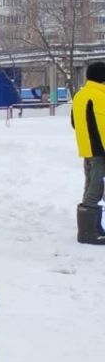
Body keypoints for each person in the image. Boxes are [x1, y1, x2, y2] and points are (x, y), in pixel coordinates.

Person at [71, 61, 105, 244]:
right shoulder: (99, 97)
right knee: (96, 188)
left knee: (90, 185)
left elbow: (74, 123)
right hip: (100, 152)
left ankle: (92, 228)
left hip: (87, 150)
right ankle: (87, 233)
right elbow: (103, 127)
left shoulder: (80, 95)